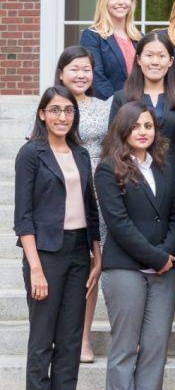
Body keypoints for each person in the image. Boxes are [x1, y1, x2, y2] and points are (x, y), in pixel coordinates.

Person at [16, 86, 102, 390]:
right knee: (42, 343)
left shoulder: (81, 154)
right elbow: (23, 217)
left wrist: (96, 253)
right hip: (46, 254)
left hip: (78, 252)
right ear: (42, 114)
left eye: (68, 111)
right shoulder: (30, 154)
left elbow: (90, 206)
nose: (62, 117)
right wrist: (35, 267)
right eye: (54, 110)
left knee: (69, 342)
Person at [94, 102, 175, 390]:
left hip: (162, 268)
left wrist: (166, 255)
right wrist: (157, 257)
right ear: (123, 131)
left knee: (155, 349)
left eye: (148, 125)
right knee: (125, 348)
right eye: (135, 127)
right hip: (125, 269)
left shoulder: (164, 163)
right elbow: (118, 224)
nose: (143, 132)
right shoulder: (107, 169)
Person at [110, 31, 175, 297]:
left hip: (173, 179)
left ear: (171, 61)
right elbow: (114, 143)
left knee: (172, 229)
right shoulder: (122, 98)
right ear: (138, 59)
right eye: (149, 55)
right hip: (134, 177)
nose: (155, 61)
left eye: (162, 56)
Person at [54, 48, 110, 365]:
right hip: (62, 198)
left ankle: (84, 338)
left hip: (96, 196)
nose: (81, 75)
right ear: (61, 73)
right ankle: (59, 334)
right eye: (74, 69)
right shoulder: (53, 106)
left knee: (92, 268)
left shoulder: (104, 108)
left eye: (86, 69)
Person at [81, 0, 142, 98]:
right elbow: (96, 77)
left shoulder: (140, 38)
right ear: (105, 1)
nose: (121, 2)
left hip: (140, 109)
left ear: (131, 2)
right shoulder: (92, 36)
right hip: (109, 108)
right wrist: (119, 105)